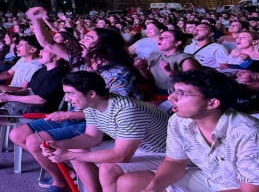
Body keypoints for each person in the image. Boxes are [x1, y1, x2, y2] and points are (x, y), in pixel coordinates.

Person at [118, 68, 259, 192]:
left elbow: (252, 191)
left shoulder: (249, 133)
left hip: (245, 187)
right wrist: (153, 187)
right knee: (129, 182)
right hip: (210, 178)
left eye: (182, 93)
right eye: (174, 91)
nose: (171, 98)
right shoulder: (179, 120)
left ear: (212, 103)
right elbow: (174, 162)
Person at [41, 71, 169, 192]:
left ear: (91, 94)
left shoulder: (127, 111)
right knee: (76, 150)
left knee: (107, 168)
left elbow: (122, 156)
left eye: (71, 93)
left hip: (164, 153)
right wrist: (60, 144)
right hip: (138, 146)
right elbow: (91, 137)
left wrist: (69, 155)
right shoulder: (92, 105)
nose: (67, 99)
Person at [0, 47, 66, 172]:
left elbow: (41, 100)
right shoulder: (42, 70)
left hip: (36, 111)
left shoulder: (58, 74)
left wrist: (9, 96)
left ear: (57, 56)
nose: (41, 51)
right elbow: (27, 90)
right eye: (41, 49)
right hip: (22, 106)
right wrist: (3, 92)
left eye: (46, 50)